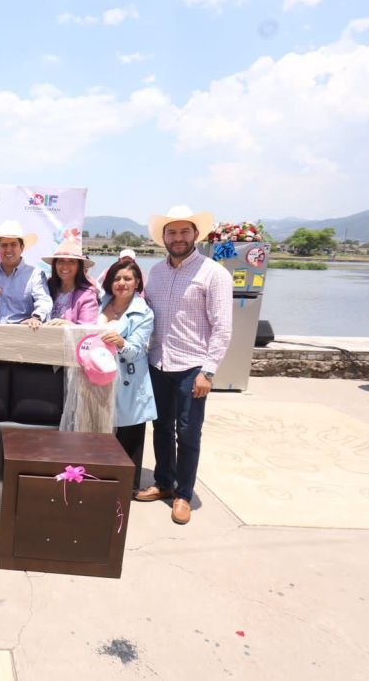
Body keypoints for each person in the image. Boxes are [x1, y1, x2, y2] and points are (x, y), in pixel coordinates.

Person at [135, 205, 232, 525]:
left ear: (196, 235)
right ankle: (164, 482)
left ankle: (184, 494)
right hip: (158, 362)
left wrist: (208, 371)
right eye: (172, 232)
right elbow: (144, 313)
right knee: (160, 427)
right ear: (163, 237)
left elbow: (222, 327)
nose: (178, 238)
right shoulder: (155, 273)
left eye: (184, 231)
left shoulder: (214, 273)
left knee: (188, 433)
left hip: (193, 366)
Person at [98, 259, 157, 490]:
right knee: (100, 433)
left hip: (128, 380)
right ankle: (100, 482)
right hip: (97, 377)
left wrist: (121, 343)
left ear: (137, 283)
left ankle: (126, 488)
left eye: (127, 278)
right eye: (117, 278)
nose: (121, 283)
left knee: (129, 435)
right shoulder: (100, 301)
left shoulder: (144, 313)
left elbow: (137, 350)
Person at [0, 220, 52, 327]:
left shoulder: (35, 274)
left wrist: (36, 317)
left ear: (22, 248)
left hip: (24, 332)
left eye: (13, 244)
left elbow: (44, 301)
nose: (8, 249)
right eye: (4, 245)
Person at [42, 238, 99, 326]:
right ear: (55, 265)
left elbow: (88, 329)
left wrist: (69, 325)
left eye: (71, 262)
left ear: (79, 266)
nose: (65, 266)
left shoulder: (87, 295)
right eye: (61, 261)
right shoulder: (45, 287)